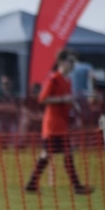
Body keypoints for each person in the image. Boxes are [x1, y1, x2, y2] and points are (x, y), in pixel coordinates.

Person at [25, 50, 93, 195]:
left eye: (73, 62)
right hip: (52, 125)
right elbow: (42, 98)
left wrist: (73, 107)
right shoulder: (53, 79)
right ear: (61, 62)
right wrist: (63, 99)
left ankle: (32, 184)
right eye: (70, 61)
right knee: (52, 154)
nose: (73, 64)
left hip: (62, 124)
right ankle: (76, 187)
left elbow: (66, 99)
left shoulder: (68, 81)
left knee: (58, 154)